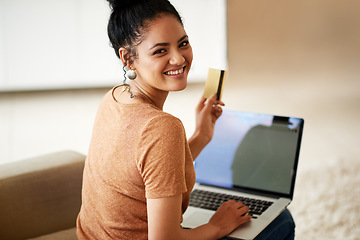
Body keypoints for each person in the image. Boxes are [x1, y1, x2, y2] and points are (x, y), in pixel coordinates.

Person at [76, 0, 295, 239]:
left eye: (183, 44)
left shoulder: (115, 97)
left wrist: (202, 135)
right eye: (160, 51)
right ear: (128, 59)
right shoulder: (162, 127)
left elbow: (151, 167)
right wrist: (218, 226)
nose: (179, 59)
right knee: (282, 221)